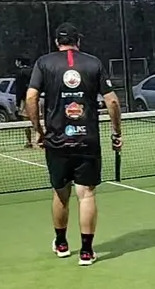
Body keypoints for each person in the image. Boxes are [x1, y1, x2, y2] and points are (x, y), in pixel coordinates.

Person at [25, 23, 123, 266]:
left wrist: (39, 130)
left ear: (56, 42)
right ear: (78, 41)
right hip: (87, 140)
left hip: (57, 141)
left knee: (61, 193)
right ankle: (86, 252)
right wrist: (116, 132)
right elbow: (112, 101)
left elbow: (30, 97)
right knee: (86, 194)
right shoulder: (93, 63)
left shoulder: (43, 63)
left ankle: (61, 244)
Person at [11, 56, 34, 147]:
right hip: (37, 99)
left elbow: (19, 90)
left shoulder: (20, 73)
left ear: (20, 62)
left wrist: (17, 103)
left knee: (26, 122)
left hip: (26, 100)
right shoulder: (35, 71)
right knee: (39, 121)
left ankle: (29, 142)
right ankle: (41, 140)